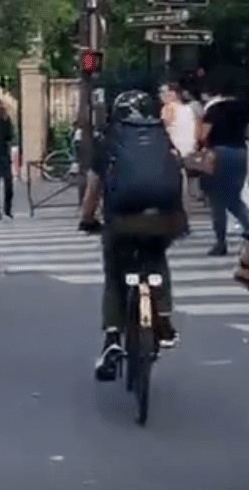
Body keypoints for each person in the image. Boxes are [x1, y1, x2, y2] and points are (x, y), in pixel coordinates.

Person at [79, 90, 185, 381]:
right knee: (158, 260)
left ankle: (113, 339)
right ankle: (163, 319)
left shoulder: (109, 139)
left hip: (122, 222)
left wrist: (87, 219)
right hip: (163, 218)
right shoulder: (162, 137)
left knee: (115, 276)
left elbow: (93, 188)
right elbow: (177, 176)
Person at [197, 66, 249, 256]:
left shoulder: (214, 108)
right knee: (234, 196)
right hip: (240, 152)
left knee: (217, 198)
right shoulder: (243, 107)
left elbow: (203, 135)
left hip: (218, 153)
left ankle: (220, 241)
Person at [160, 81, 199, 208]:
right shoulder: (189, 109)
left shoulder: (168, 108)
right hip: (190, 151)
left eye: (164, 92)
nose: (161, 96)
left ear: (173, 94)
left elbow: (165, 129)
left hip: (174, 152)